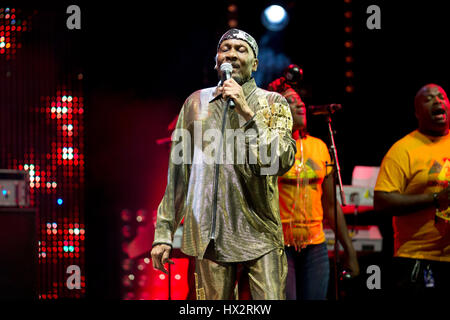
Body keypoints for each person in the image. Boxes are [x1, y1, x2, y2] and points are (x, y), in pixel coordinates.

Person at [150, 28, 297, 300]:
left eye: (241, 49)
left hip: (260, 233)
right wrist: (164, 233)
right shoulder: (195, 103)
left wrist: (247, 112)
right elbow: (179, 175)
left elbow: (279, 161)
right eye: (225, 48)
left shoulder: (273, 103)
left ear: (255, 64)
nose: (231, 53)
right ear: (216, 61)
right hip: (209, 235)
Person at [268, 78, 359, 300]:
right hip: (280, 245)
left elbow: (330, 204)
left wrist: (350, 250)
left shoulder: (319, 147)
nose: (300, 105)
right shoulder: (269, 146)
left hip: (315, 245)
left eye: (300, 101)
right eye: (291, 101)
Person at [374, 83, 450, 299]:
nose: (437, 101)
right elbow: (381, 202)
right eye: (429, 99)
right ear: (417, 113)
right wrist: (436, 198)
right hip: (417, 258)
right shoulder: (403, 149)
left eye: (441, 96)